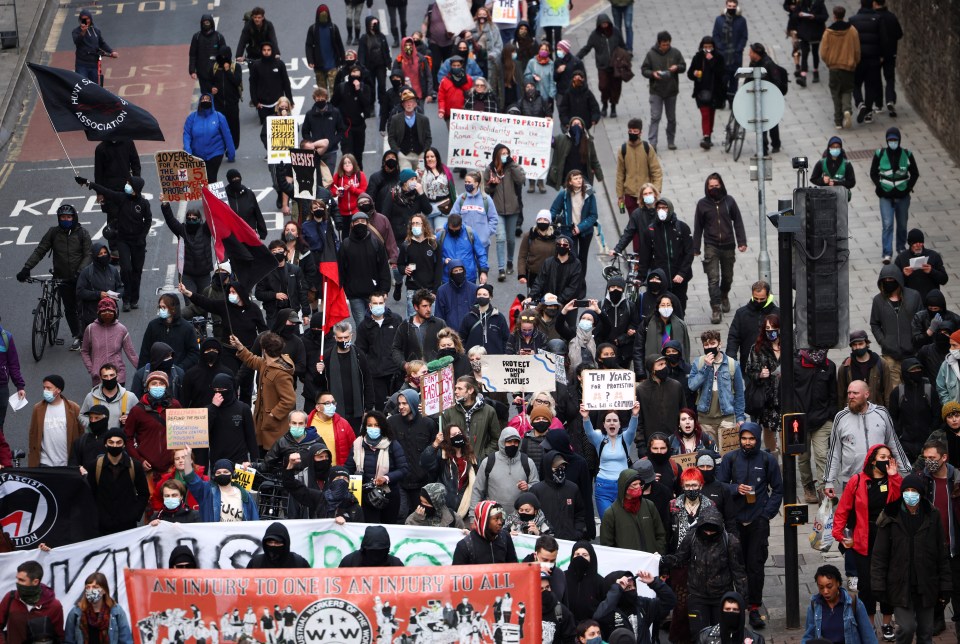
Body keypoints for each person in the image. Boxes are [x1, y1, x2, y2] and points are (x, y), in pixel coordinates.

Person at [716, 422, 784, 629]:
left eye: (751, 438)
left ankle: (754, 606)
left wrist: (766, 515)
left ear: (757, 439)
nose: (747, 442)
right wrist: (736, 489)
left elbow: (778, 489)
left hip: (757, 521)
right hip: (735, 521)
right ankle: (735, 603)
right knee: (735, 565)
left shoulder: (767, 460)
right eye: (744, 438)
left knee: (755, 566)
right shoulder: (730, 459)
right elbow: (719, 485)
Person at [871, 473, 952, 644]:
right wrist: (878, 585)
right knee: (907, 628)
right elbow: (879, 555)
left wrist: (945, 585)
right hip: (900, 585)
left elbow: (941, 554)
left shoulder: (932, 514)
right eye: (906, 490)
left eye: (913, 490)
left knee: (926, 632)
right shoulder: (890, 516)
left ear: (920, 493)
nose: (910, 494)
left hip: (927, 585)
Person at [831, 443, 901, 631]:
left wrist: (894, 477)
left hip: (888, 538)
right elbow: (843, 509)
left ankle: (887, 623)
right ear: (872, 460)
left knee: (888, 581)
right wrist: (839, 534)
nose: (886, 461)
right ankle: (869, 624)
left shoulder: (892, 480)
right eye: (882, 457)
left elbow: (898, 501)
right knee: (867, 584)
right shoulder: (858, 480)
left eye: (888, 457)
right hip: (863, 539)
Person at [660, 504, 746, 637]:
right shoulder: (691, 538)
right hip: (697, 596)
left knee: (721, 634)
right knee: (698, 634)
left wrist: (742, 600)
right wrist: (662, 560)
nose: (709, 534)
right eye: (706, 530)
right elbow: (680, 558)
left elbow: (739, 572)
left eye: (713, 531)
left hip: (721, 596)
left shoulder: (730, 542)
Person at [16, 204, 91, 350]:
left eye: (68, 217)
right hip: (61, 277)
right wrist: (26, 268)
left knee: (81, 307)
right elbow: (40, 251)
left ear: (74, 218)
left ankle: (86, 335)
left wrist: (80, 272)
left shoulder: (83, 233)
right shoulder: (53, 233)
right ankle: (77, 336)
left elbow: (88, 254)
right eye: (63, 217)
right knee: (69, 308)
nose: (66, 219)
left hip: (79, 278)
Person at [75, 175, 151, 312]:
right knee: (126, 269)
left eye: (129, 183)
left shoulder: (144, 204)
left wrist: (142, 236)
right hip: (123, 241)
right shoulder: (122, 198)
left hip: (138, 243)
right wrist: (88, 183)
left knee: (137, 271)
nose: (126, 185)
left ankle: (135, 299)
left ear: (136, 188)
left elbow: (148, 220)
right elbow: (105, 190)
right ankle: (126, 299)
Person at [823, 380, 910, 498]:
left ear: (866, 394)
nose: (851, 396)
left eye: (855, 393)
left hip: (880, 476)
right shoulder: (841, 417)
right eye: (849, 393)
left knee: (880, 515)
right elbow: (834, 451)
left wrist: (906, 472)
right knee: (854, 515)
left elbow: (893, 443)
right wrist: (829, 481)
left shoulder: (882, 413)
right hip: (852, 480)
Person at [918, 439, 960, 636]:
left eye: (932, 458)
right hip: (930, 545)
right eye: (925, 458)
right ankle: (937, 618)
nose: (929, 462)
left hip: (954, 544)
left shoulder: (957, 479)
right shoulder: (922, 480)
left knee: (957, 586)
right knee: (932, 585)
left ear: (944, 457)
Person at [693, 173, 747, 323]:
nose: (714, 188)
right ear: (707, 187)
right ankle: (716, 308)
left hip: (729, 245)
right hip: (711, 246)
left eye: (716, 186)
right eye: (711, 186)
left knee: (728, 277)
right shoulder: (702, 204)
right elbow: (698, 227)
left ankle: (724, 295)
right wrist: (695, 247)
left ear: (721, 185)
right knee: (713, 279)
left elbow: (738, 221)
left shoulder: (729, 201)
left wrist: (742, 241)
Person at [345, 411, 408, 524]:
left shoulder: (392, 444)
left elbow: (403, 469)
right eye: (370, 425)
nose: (373, 428)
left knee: (388, 528)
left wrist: (386, 478)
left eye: (376, 425)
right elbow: (348, 467)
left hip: (388, 495)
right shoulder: (358, 444)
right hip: (364, 495)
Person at [870, 127, 920, 264]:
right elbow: (873, 173)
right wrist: (879, 188)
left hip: (902, 196)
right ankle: (887, 253)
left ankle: (901, 248)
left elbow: (915, 173)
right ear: (887, 140)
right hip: (885, 196)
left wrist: (908, 188)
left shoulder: (907, 154)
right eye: (890, 139)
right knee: (887, 224)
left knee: (902, 224)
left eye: (895, 139)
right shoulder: (879, 154)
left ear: (899, 140)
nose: (893, 142)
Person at [794, 349, 838, 503]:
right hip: (799, 420)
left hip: (822, 419)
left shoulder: (829, 366)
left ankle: (823, 489)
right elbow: (786, 391)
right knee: (803, 458)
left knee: (822, 455)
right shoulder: (795, 365)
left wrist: (831, 416)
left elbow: (834, 394)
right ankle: (808, 486)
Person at [871, 264, 923, 393]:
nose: (888, 283)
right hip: (890, 355)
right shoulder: (878, 300)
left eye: (891, 280)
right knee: (894, 391)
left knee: (913, 390)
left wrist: (916, 340)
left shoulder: (914, 296)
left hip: (912, 354)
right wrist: (884, 341)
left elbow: (921, 319)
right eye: (885, 281)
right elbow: (874, 324)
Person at [688, 329, 746, 445]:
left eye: (712, 343)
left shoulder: (732, 364)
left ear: (720, 344)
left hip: (726, 417)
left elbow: (739, 393)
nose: (709, 347)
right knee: (710, 455)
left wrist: (740, 417)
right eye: (706, 345)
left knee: (728, 453)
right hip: (705, 418)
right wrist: (706, 367)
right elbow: (692, 386)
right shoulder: (698, 363)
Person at [88, 428, 149, 535]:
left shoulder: (135, 466)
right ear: (105, 444)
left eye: (118, 442)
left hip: (127, 526)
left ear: (124, 444)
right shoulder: (95, 466)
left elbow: (144, 493)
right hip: (102, 527)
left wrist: (134, 514)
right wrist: (96, 516)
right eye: (111, 442)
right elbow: (89, 494)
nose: (115, 445)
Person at [637, 197, 693, 312]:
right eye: (659, 208)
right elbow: (645, 256)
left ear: (670, 209)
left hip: (679, 278)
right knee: (662, 307)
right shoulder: (650, 231)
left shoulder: (682, 228)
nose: (661, 210)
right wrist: (640, 276)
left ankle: (678, 327)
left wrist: (682, 273)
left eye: (664, 208)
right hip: (660, 278)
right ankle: (666, 330)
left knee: (680, 306)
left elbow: (689, 253)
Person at [803, 564, 877, 644]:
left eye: (829, 586)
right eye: (821, 587)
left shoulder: (853, 602)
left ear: (838, 583)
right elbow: (808, 636)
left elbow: (868, 636)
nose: (825, 591)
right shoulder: (815, 605)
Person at [600, 468, 667, 553]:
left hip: (650, 561)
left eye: (639, 484)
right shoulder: (611, 514)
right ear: (624, 487)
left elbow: (660, 534)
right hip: (626, 564)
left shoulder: (649, 506)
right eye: (634, 484)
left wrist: (658, 552)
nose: (638, 487)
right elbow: (607, 546)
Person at [640, 31, 686, 151]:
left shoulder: (675, 53)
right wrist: (653, 74)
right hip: (656, 90)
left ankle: (671, 141)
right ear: (658, 43)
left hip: (671, 90)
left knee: (671, 118)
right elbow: (644, 70)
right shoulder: (651, 54)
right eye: (663, 44)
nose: (665, 46)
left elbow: (683, 66)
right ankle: (652, 143)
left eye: (667, 44)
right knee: (655, 117)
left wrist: (677, 67)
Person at [184, 450, 259, 522]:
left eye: (225, 472)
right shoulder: (207, 491)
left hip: (238, 535)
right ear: (214, 476)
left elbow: (254, 521)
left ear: (233, 475)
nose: (222, 474)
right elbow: (191, 479)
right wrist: (187, 459)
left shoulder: (245, 495)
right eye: (218, 472)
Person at [0, 561, 65, 644]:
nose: (17, 583)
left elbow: (59, 637)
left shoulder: (54, 606)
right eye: (17, 579)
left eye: (21, 580)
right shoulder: (10, 598)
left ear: (35, 582)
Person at [889, 358, 940, 461]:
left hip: (927, 442)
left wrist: (931, 433)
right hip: (905, 444)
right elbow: (892, 417)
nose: (916, 372)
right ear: (905, 373)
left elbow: (937, 414)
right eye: (912, 370)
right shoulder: (897, 393)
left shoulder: (929, 390)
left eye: (918, 369)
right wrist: (900, 435)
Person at [819, 6, 861, 130]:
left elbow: (823, 52)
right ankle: (847, 110)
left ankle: (838, 121)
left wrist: (829, 63)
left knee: (835, 92)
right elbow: (857, 50)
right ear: (844, 14)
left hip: (834, 68)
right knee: (847, 90)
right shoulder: (852, 30)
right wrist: (855, 62)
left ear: (834, 15)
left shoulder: (828, 32)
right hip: (848, 67)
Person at [745, 315, 783, 451]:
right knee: (768, 429)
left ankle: (786, 462)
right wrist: (759, 375)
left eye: (774, 328)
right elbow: (749, 370)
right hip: (767, 397)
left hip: (785, 396)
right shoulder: (758, 348)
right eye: (767, 328)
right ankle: (773, 457)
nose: (771, 331)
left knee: (785, 430)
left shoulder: (790, 345)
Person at [577, 14, 627, 118]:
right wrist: (577, 58)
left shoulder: (616, 31)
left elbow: (622, 45)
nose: (604, 25)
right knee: (603, 86)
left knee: (616, 87)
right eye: (602, 23)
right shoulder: (595, 35)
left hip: (616, 65)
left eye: (606, 23)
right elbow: (587, 48)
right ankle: (604, 104)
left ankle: (613, 106)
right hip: (602, 66)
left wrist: (626, 55)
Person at [80, 298, 137, 387]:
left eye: (110, 312)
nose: (107, 315)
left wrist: (143, 371)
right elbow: (84, 351)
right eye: (104, 312)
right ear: (99, 313)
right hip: (98, 377)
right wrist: (92, 369)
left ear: (115, 313)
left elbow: (131, 354)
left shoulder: (122, 329)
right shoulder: (90, 329)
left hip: (118, 376)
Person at [443, 375, 502, 461]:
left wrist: (483, 456)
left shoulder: (489, 411)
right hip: (456, 464)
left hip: (480, 465)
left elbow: (496, 439)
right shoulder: (449, 412)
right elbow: (445, 439)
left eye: (460, 389)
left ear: (470, 390)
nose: (455, 391)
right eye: (455, 388)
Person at [28, 375, 82, 467]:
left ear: (58, 390)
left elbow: (81, 433)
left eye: (49, 388)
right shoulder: (37, 409)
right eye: (44, 388)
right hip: (45, 463)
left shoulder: (73, 408)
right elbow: (33, 434)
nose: (45, 391)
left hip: (67, 463)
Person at [64, 572, 133, 644]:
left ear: (104, 590)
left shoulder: (116, 612)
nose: (91, 590)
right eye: (88, 587)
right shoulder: (76, 613)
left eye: (95, 587)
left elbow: (126, 640)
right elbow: (69, 641)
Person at [138, 294, 200, 372]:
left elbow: (194, 353)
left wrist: (180, 368)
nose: (161, 310)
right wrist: (142, 372)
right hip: (156, 373)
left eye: (164, 307)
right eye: (160, 307)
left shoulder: (187, 328)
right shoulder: (153, 326)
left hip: (178, 375)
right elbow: (145, 352)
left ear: (173, 309)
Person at [182, 93, 235, 182]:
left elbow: (227, 135)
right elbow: (187, 134)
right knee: (200, 179)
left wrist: (231, 153)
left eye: (207, 99)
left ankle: (212, 195)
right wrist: (188, 151)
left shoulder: (219, 117)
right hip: (197, 154)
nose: (205, 100)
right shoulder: (192, 118)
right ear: (199, 102)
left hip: (215, 153)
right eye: (203, 99)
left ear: (212, 102)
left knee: (211, 178)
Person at [616, 120, 663, 218]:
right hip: (630, 194)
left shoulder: (647, 148)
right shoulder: (623, 149)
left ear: (640, 133)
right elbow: (620, 174)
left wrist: (656, 190)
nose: (632, 133)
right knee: (635, 225)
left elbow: (656, 171)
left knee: (649, 222)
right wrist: (620, 196)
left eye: (635, 131)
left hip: (647, 194)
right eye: (630, 131)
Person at [726, 281, 779, 367]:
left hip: (773, 364)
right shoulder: (741, 314)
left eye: (762, 299)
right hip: (748, 365)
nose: (758, 301)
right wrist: (731, 359)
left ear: (768, 296)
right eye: (756, 298)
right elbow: (733, 337)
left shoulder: (778, 314)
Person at [687, 37, 726, 149]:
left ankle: (709, 134)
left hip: (714, 91)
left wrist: (712, 61)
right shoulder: (698, 57)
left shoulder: (718, 57)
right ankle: (706, 136)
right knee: (705, 113)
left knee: (711, 113)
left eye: (710, 47)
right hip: (701, 91)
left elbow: (721, 73)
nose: (708, 49)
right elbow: (690, 74)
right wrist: (694, 73)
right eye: (705, 47)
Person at [452, 499, 519, 564]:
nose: (500, 522)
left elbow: (514, 567)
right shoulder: (465, 546)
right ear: (484, 520)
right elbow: (457, 574)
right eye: (496, 519)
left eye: (501, 518)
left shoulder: (505, 537)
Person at [848, 0, 883, 123]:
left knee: (855, 83)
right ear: (872, 4)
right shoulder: (878, 19)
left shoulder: (853, 20)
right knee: (871, 85)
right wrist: (882, 55)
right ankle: (868, 112)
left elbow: (850, 40)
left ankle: (860, 103)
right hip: (874, 58)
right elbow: (883, 38)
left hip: (858, 59)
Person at [746, 43, 783, 155]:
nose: (749, 54)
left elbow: (777, 82)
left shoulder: (768, 64)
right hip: (758, 98)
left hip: (769, 98)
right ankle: (763, 148)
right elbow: (748, 79)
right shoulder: (754, 63)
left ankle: (775, 144)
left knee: (772, 123)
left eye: (751, 52)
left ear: (756, 54)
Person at [896, 230, 948, 304]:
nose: (918, 245)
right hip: (910, 302)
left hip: (930, 302)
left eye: (920, 242)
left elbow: (944, 280)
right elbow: (895, 284)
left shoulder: (933, 256)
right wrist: (903, 274)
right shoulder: (901, 258)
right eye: (915, 243)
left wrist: (931, 271)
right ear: (910, 244)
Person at [712, 0, 749, 104]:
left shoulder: (741, 20)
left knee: (734, 79)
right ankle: (722, 98)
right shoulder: (719, 20)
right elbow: (715, 35)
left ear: (736, 6)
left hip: (735, 56)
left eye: (733, 6)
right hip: (722, 55)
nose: (731, 8)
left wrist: (738, 49)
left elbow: (744, 36)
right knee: (722, 79)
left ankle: (732, 99)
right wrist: (719, 48)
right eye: (729, 6)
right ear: (726, 5)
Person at [784, 0, 828, 87]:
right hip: (804, 33)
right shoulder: (801, 3)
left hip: (816, 32)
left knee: (815, 52)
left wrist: (814, 17)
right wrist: (799, 15)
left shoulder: (819, 3)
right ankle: (803, 76)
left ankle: (816, 71)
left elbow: (825, 16)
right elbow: (794, 15)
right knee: (804, 53)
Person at [387, 89, 433, 170]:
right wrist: (398, 152)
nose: (409, 104)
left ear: (415, 104)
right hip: (404, 155)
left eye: (411, 101)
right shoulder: (395, 119)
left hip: (420, 156)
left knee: (421, 177)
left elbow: (428, 138)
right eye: (406, 102)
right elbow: (391, 138)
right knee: (407, 177)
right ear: (403, 105)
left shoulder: (424, 119)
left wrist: (424, 152)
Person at [305, 5, 345, 94]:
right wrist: (310, 60)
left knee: (333, 90)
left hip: (333, 64)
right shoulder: (313, 29)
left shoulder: (333, 28)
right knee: (322, 92)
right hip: (319, 66)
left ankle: (332, 107)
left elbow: (339, 44)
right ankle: (325, 107)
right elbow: (309, 45)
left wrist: (343, 60)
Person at [696, 593, 766, 644]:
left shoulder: (756, 640)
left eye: (735, 610)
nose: (731, 612)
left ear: (741, 612)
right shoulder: (705, 636)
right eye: (727, 609)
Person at [72, 10, 117, 84]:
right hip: (82, 64)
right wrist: (83, 32)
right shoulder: (76, 31)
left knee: (94, 86)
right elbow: (77, 42)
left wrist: (111, 51)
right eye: (83, 19)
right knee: (81, 86)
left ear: (90, 19)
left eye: (87, 19)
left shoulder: (96, 30)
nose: (86, 21)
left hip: (94, 64)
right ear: (80, 20)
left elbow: (101, 43)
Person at [811, 136, 857, 203]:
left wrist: (837, 183)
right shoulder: (821, 163)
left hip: (841, 199)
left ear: (841, 148)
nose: (835, 149)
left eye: (837, 147)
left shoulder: (847, 164)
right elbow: (813, 179)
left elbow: (852, 183)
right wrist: (822, 180)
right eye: (833, 147)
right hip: (825, 198)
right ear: (829, 148)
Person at [188, 14, 226, 93]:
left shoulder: (219, 37)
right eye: (204, 22)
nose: (206, 24)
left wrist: (224, 67)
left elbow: (225, 54)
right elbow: (192, 55)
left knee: (218, 95)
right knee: (205, 96)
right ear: (201, 23)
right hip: (202, 73)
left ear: (212, 23)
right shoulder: (197, 37)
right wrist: (192, 71)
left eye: (208, 22)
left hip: (217, 72)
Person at [339, 525, 405, 567]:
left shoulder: (396, 564)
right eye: (372, 551)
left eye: (380, 551)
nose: (376, 555)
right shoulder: (350, 562)